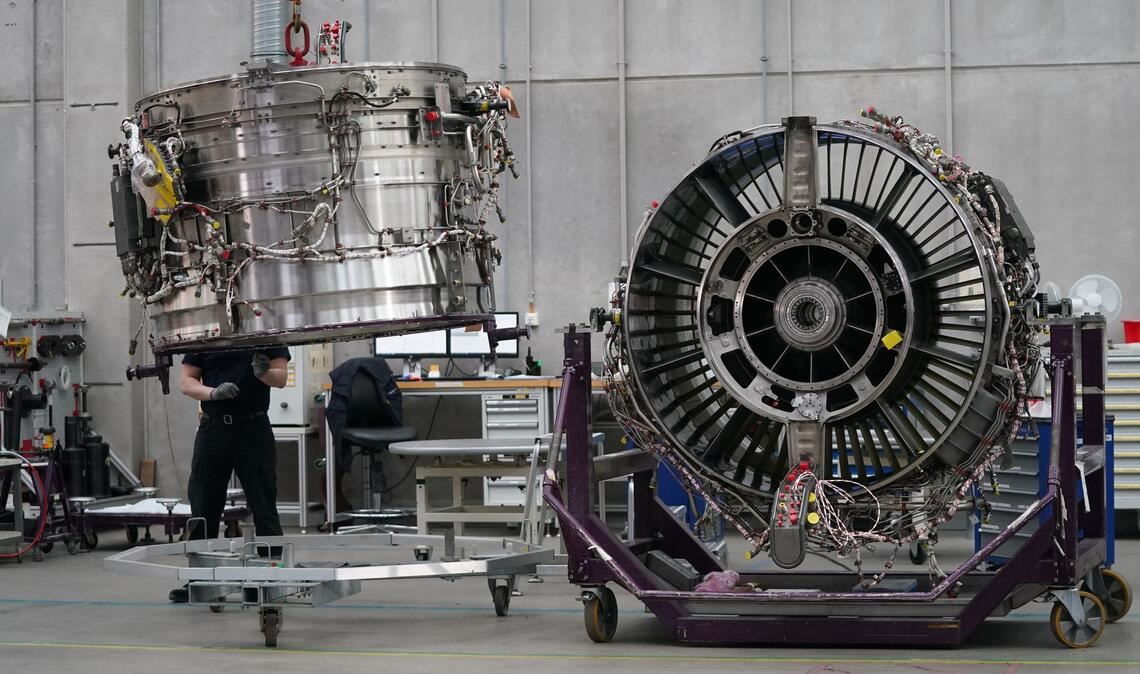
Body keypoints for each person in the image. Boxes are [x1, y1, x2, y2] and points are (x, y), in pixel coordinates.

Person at [168, 347, 290, 603]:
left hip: (253, 428)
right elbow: (187, 381)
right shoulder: (206, 337)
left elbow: (280, 378)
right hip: (213, 428)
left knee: (264, 506)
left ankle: (270, 579)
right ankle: (201, 580)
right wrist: (212, 393)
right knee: (203, 507)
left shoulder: (264, 334)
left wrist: (264, 373)